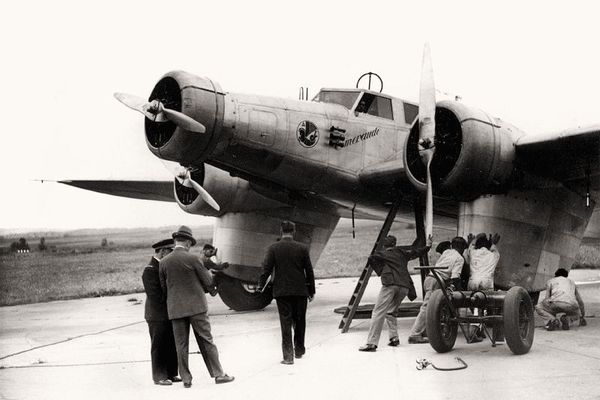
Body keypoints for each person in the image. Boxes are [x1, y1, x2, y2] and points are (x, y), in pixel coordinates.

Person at [159, 226, 234, 388]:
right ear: (187, 242)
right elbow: (208, 281)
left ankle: (186, 379)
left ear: (175, 241)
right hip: (197, 307)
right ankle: (218, 374)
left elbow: (164, 289)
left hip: (175, 309)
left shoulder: (164, 262)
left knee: (181, 345)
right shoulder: (194, 259)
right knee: (207, 340)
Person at [358, 235, 431, 352]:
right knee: (391, 312)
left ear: (384, 245)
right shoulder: (402, 253)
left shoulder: (382, 254)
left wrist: (382, 271)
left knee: (378, 312)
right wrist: (428, 246)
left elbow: (371, 258)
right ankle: (394, 338)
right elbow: (416, 252)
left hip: (390, 285)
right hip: (404, 286)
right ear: (395, 244)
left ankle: (371, 343)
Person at [258, 220, 315, 365]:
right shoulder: (302, 248)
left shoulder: (273, 248)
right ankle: (300, 349)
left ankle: (288, 356)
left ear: (281, 231)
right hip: (300, 291)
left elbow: (266, 269)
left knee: (286, 322)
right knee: (300, 320)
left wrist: (260, 285)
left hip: (282, 292)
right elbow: (309, 271)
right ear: (294, 231)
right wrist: (311, 290)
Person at [407, 236, 467, 344]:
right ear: (462, 248)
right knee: (427, 307)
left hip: (430, 278)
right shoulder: (459, 258)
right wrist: (461, 291)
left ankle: (425, 332)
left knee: (432, 308)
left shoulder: (447, 252)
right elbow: (455, 277)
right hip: (436, 281)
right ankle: (415, 334)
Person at [142, 238, 181, 385]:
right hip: (157, 316)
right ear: (163, 251)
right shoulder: (150, 270)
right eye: (170, 251)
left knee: (171, 343)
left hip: (167, 313)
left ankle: (171, 373)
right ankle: (159, 376)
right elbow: (155, 296)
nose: (171, 254)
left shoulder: (163, 267)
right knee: (159, 346)